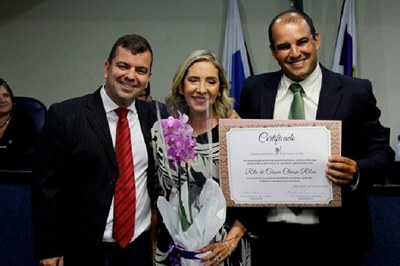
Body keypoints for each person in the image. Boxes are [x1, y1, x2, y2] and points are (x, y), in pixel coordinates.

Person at [238, 10, 395, 266]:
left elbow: (383, 153)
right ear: (272, 51)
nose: (295, 53)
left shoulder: (355, 91)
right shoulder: (254, 90)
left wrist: (356, 172)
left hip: (336, 239)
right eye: (283, 46)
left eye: (302, 42)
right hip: (270, 238)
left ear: (316, 40)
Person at [31, 34, 166, 266]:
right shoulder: (65, 116)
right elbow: (46, 190)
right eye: (123, 66)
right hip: (83, 249)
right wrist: (49, 248)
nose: (131, 76)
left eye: (140, 70)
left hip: (137, 248)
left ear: (148, 78)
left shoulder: (156, 117)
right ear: (107, 68)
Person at [151, 49, 249, 266]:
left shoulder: (235, 132)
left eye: (211, 81)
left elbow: (251, 199)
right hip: (172, 253)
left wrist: (230, 243)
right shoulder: (162, 132)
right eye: (193, 80)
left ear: (220, 88)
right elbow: (156, 194)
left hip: (222, 252)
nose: (201, 89)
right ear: (181, 85)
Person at [0, 78, 38, 169]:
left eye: (6, 95)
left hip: (16, 174)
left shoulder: (23, 121)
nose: (2, 100)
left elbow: (28, 155)